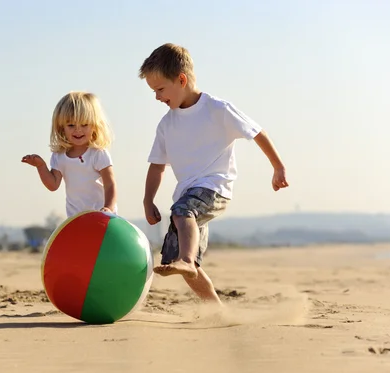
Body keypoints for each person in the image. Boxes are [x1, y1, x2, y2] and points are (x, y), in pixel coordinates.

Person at [138, 43, 289, 304]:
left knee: (182, 212)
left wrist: (278, 166)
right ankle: (215, 309)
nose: (157, 97)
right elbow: (157, 166)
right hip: (188, 195)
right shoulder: (166, 125)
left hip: (215, 187)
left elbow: (257, 133)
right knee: (184, 261)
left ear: (181, 80)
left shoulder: (217, 109)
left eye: (160, 89)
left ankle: (186, 259)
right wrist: (147, 199)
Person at [22, 91, 117, 217]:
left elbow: (110, 184)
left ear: (94, 126)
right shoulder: (59, 157)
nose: (78, 130)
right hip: (76, 219)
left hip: (102, 218)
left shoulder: (97, 154)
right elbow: (53, 185)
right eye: (71, 125)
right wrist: (41, 166)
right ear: (62, 128)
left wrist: (108, 208)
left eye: (84, 125)